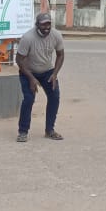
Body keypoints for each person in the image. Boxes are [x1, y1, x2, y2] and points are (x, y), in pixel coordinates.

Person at [15, 12, 65, 143]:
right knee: (29, 99)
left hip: (47, 71)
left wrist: (55, 74)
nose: (46, 27)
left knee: (54, 96)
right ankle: (23, 131)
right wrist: (31, 79)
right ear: (37, 25)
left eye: (48, 24)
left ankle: (50, 130)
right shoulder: (28, 38)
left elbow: (60, 55)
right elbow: (19, 60)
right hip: (27, 72)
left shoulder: (56, 35)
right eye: (43, 24)